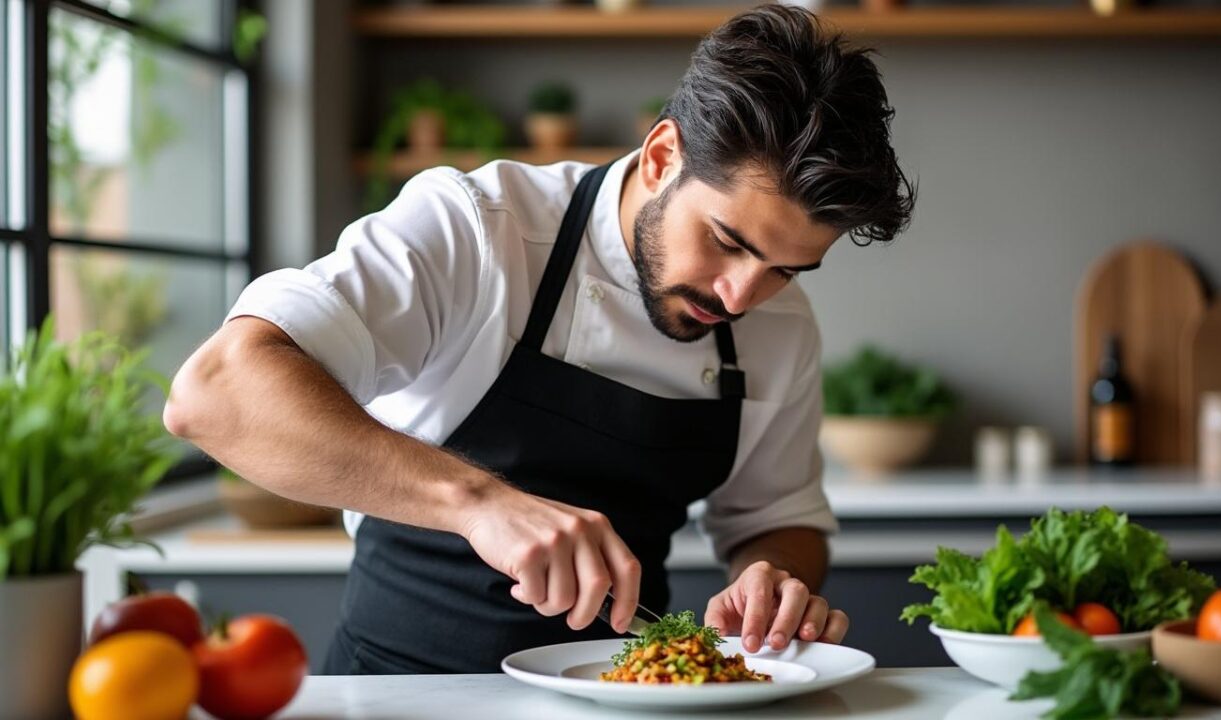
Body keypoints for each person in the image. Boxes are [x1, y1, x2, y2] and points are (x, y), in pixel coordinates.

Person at [164, 3, 915, 674]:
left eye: (787, 269)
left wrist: (775, 578)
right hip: (399, 687)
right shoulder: (477, 229)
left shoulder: (780, 329)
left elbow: (777, 519)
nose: (741, 294)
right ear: (661, 157)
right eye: (726, 241)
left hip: (622, 691)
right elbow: (216, 392)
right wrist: (477, 501)